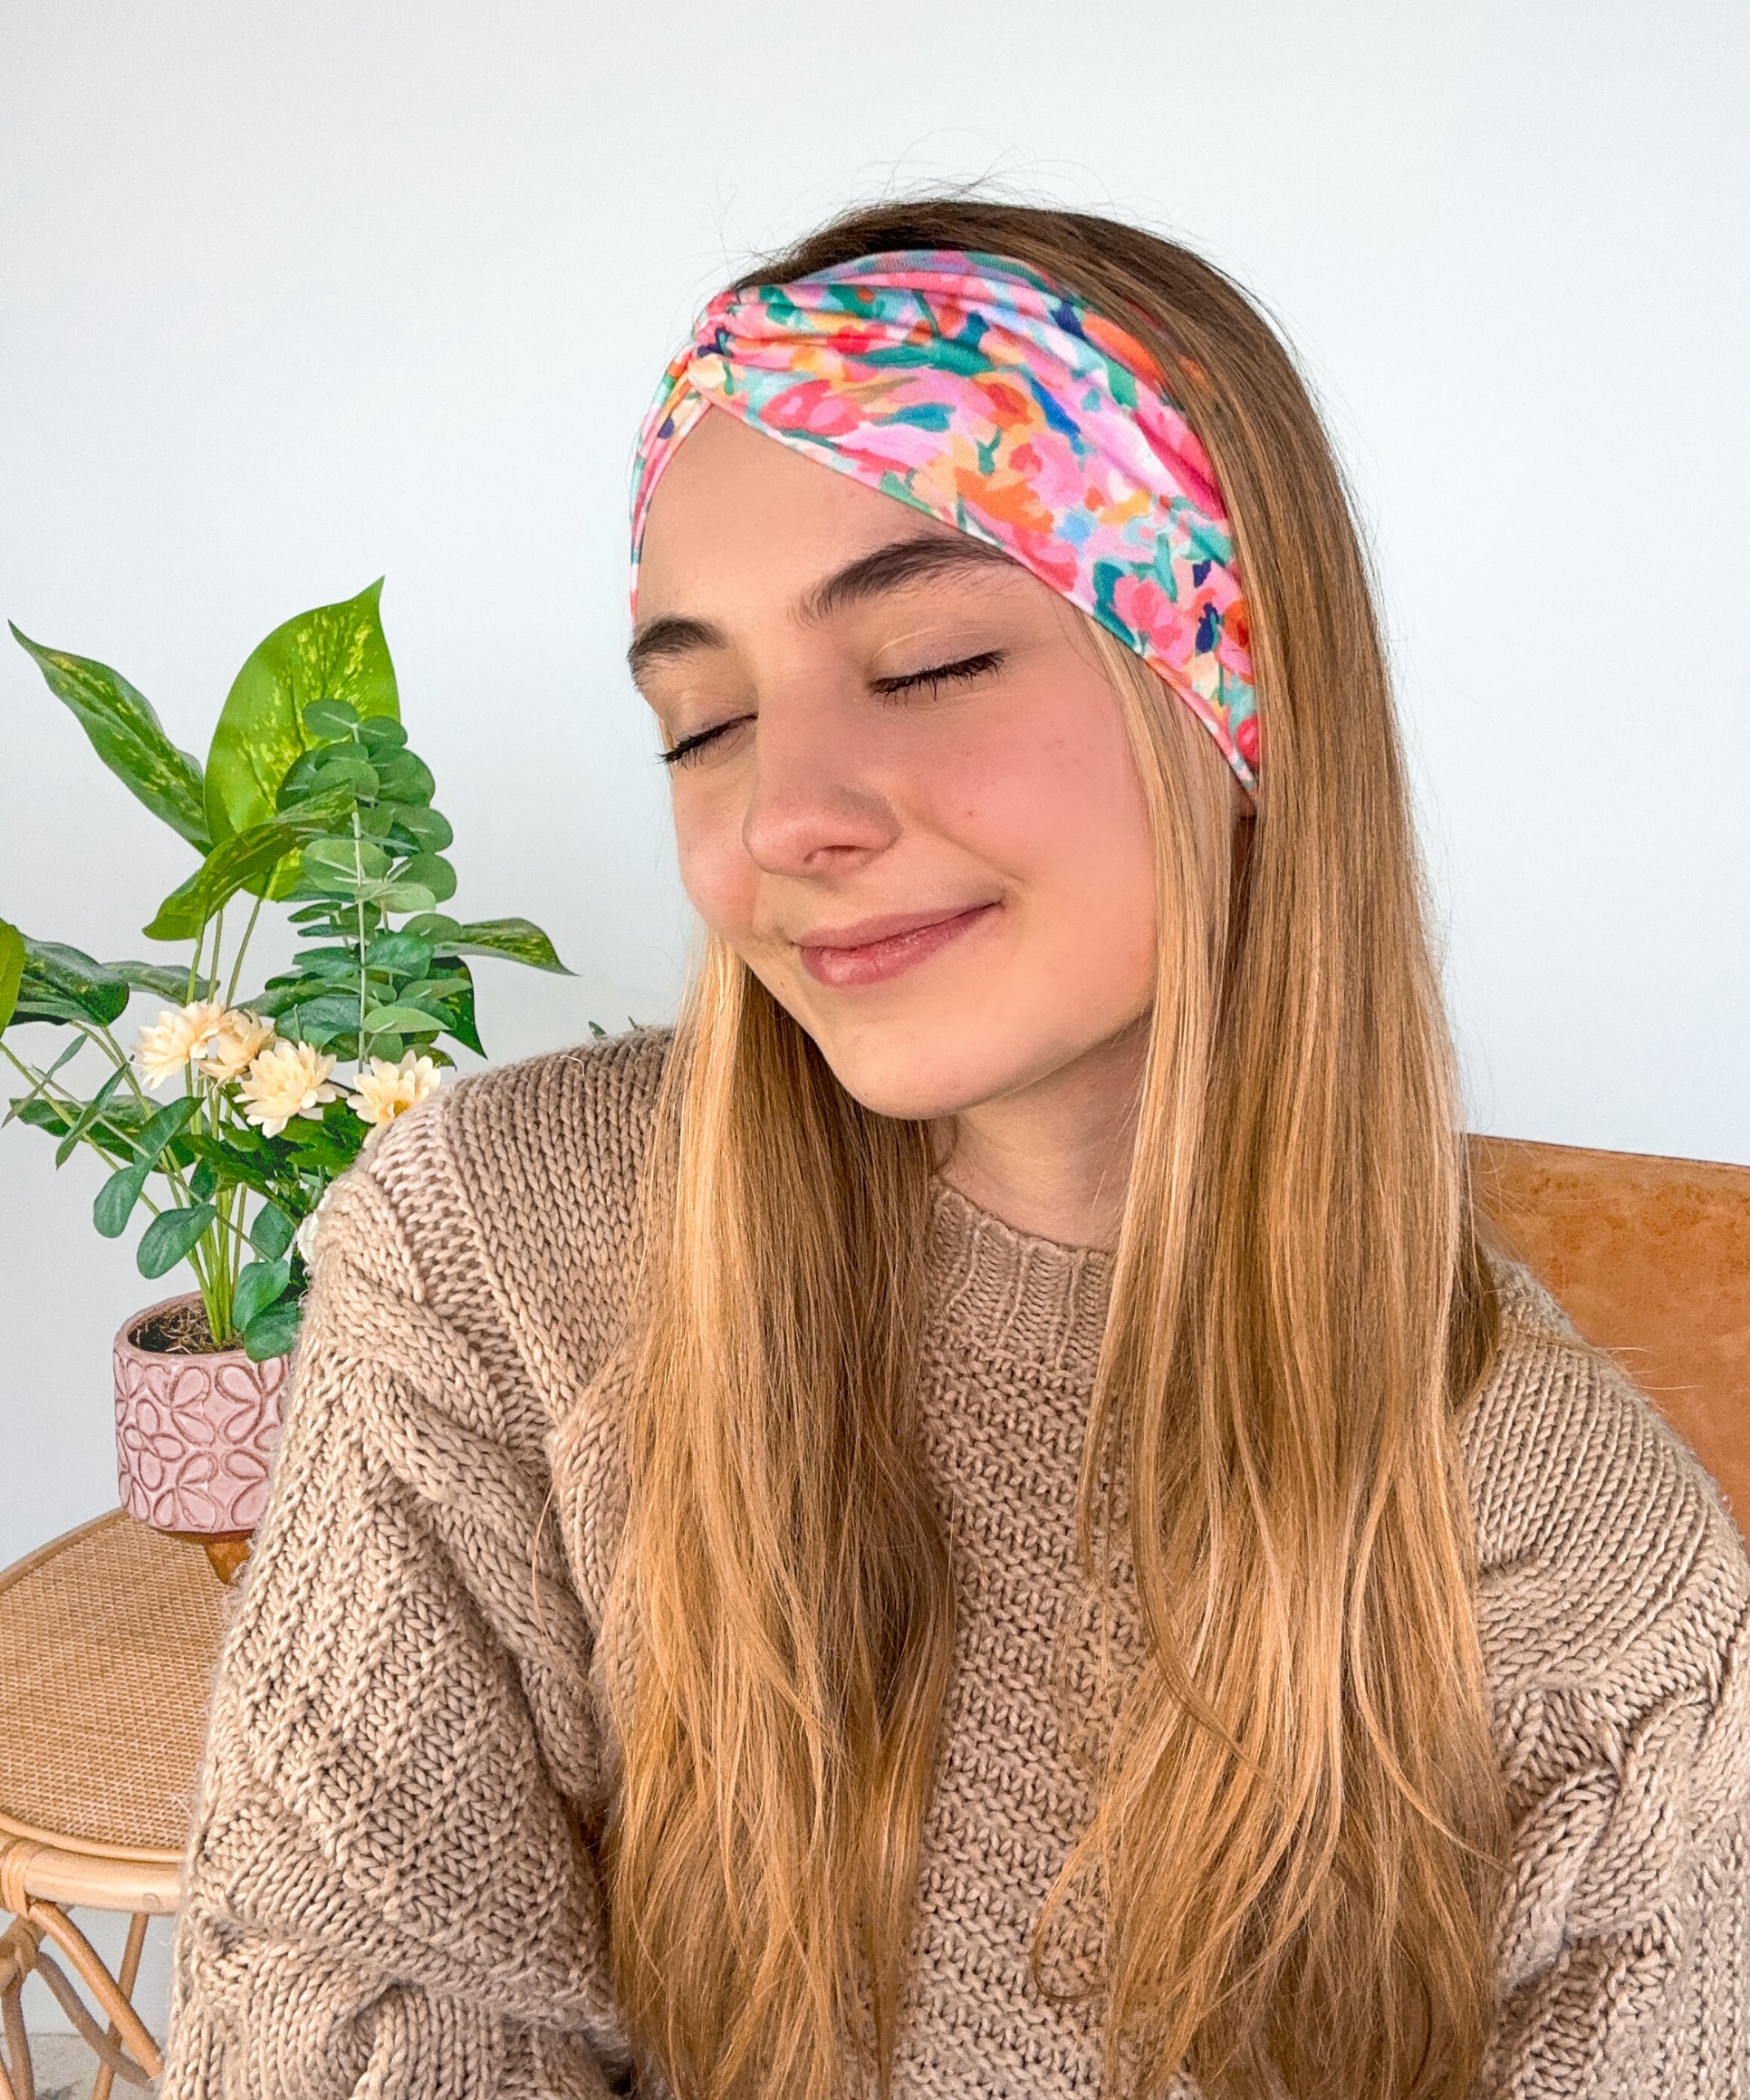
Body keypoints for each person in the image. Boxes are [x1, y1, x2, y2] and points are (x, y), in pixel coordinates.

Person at [158, 200, 1750, 2100]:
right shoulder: (497, 1254)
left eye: (921, 662)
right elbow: (355, 2002)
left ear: (1239, 699)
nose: (784, 815)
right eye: (702, 722)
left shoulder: (1597, 1587)